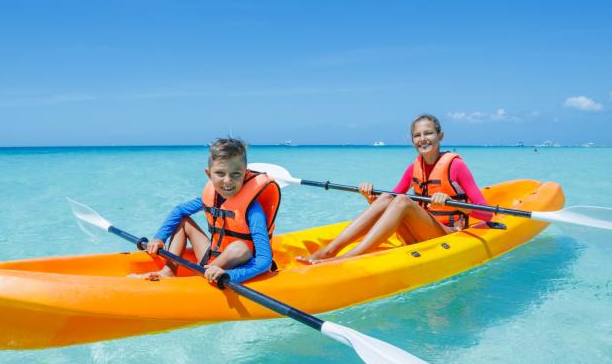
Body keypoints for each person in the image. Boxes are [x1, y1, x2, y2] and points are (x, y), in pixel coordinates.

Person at [298, 114, 493, 263]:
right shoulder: (414, 167)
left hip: (447, 234)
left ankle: (348, 257)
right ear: (412, 141)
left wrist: (457, 204)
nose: (423, 139)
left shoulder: (456, 166)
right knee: (387, 197)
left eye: (428, 133)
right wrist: (369, 195)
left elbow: (487, 214)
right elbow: (387, 203)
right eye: (417, 135)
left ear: (440, 136)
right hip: (416, 236)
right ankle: (329, 251)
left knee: (401, 199)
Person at [141, 138, 280, 284]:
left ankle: (207, 275)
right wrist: (160, 237)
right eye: (220, 173)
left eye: (236, 174)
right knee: (182, 221)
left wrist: (230, 275)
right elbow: (179, 210)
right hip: (211, 258)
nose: (227, 180)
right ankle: (168, 271)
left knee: (239, 247)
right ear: (209, 174)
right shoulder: (211, 197)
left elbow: (264, 260)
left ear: (245, 175)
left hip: (241, 264)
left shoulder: (253, 210)